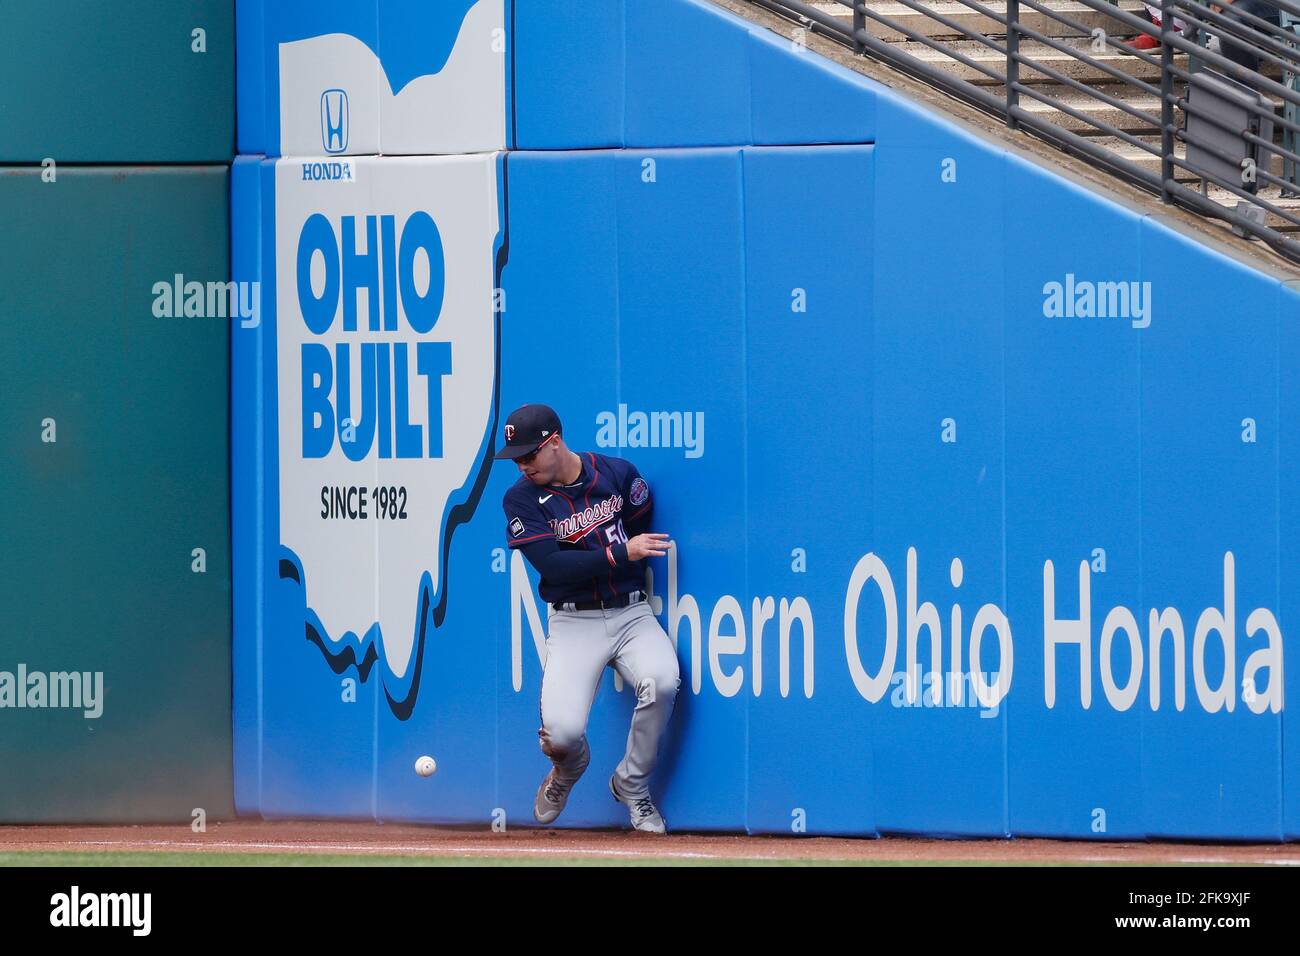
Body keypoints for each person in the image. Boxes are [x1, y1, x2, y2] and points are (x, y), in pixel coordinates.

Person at [495, 403, 681, 834]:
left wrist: (623, 553)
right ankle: (568, 769)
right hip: (572, 622)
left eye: (528, 455)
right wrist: (620, 553)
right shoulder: (520, 498)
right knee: (561, 734)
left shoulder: (616, 474)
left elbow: (639, 518)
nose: (521, 465)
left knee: (663, 681)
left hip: (631, 612)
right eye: (516, 458)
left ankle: (632, 786)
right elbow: (554, 566)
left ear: (555, 442)